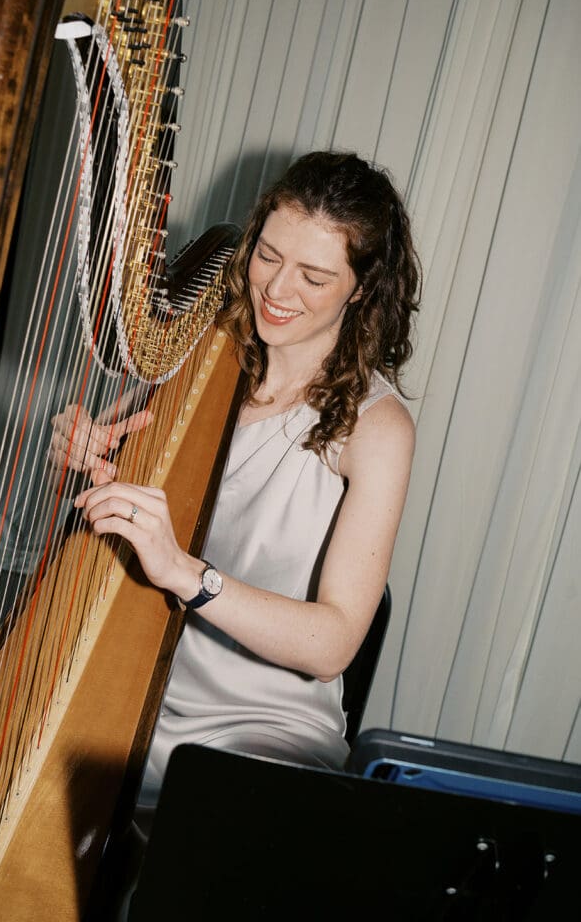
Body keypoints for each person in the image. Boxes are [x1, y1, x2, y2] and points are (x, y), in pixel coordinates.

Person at [70, 150, 421, 830]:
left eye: (314, 275)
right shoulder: (200, 358)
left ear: (359, 289)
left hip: (260, 728)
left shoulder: (377, 429)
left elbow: (332, 644)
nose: (277, 290)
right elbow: (119, 488)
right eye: (267, 255)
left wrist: (186, 574)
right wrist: (82, 460)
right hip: (130, 680)